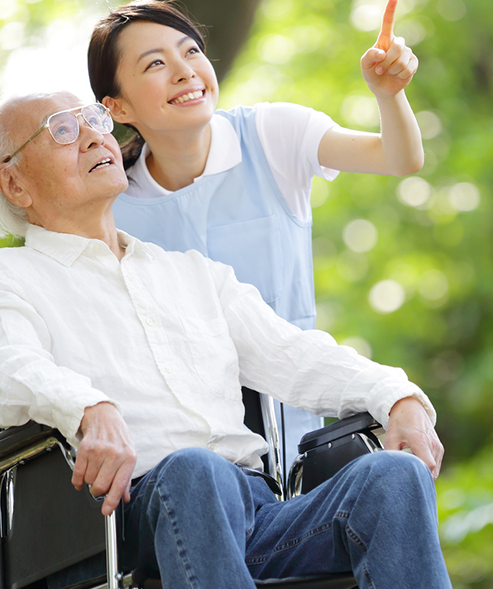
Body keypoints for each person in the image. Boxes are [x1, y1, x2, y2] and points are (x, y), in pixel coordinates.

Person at [0, 91, 450, 588]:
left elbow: (296, 355)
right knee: (197, 472)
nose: (91, 137)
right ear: (14, 184)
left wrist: (399, 395)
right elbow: (12, 367)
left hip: (252, 512)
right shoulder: (12, 277)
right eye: (62, 130)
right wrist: (88, 406)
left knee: (392, 478)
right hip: (119, 522)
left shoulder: (193, 274)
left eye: (94, 120)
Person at [87, 0, 425, 470]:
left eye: (191, 52)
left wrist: (389, 95)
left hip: (295, 421)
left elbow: (400, 159)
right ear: (116, 107)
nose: (184, 71)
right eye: (156, 64)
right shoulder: (112, 205)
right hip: (182, 451)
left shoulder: (271, 134)